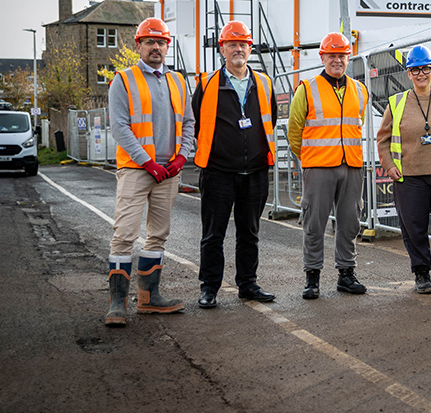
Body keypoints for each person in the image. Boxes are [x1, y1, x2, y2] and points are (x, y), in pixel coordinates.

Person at [105, 18, 195, 327]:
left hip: (168, 171)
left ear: (167, 46)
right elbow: (119, 127)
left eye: (161, 42)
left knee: (158, 235)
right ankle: (117, 303)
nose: (155, 47)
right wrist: (147, 162)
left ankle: (148, 297)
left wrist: (182, 157)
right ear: (139, 45)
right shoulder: (123, 80)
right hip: (136, 169)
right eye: (149, 42)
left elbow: (189, 123)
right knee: (124, 235)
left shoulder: (178, 81)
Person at [192, 21, 278, 308]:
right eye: (232, 44)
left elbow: (270, 119)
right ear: (223, 49)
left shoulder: (263, 83)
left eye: (243, 44)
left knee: (249, 233)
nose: (238, 49)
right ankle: (209, 287)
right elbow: (197, 122)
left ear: (250, 48)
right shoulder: (207, 84)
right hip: (218, 172)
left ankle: (248, 284)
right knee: (213, 234)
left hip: (255, 171)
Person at [377, 45, 431, 295]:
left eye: (425, 68)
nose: (421, 74)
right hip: (410, 178)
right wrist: (389, 166)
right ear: (409, 73)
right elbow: (382, 139)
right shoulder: (397, 103)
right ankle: (422, 273)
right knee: (414, 228)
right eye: (415, 70)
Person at [288, 32, 369, 299]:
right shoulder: (307, 89)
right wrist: (310, 159)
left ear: (348, 58)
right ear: (322, 57)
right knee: (314, 224)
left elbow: (357, 125)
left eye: (342, 55)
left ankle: (346, 274)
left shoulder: (360, 90)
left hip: (352, 166)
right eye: (332, 55)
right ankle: (312, 277)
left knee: (350, 223)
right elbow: (294, 131)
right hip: (319, 168)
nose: (337, 60)